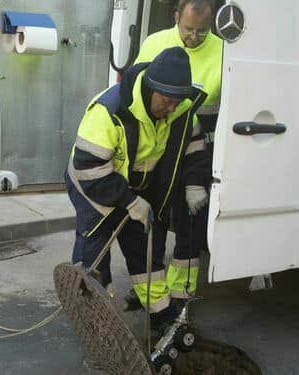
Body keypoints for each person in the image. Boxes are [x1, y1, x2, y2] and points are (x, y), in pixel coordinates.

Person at [65, 46, 207, 331]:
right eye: (166, 102)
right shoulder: (109, 110)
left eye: (176, 103)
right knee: (95, 255)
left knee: (146, 251)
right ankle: (96, 321)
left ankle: (161, 315)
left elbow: (194, 149)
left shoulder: (179, 109)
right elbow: (89, 168)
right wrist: (129, 202)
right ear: (150, 88)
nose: (170, 110)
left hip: (138, 186)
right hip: (94, 186)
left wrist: (194, 184)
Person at [123, 0, 223, 311]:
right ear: (177, 17)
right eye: (188, 29)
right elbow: (134, 90)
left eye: (202, 32)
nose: (193, 37)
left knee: (189, 223)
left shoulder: (224, 52)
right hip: (160, 146)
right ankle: (152, 291)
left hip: (197, 147)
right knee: (155, 222)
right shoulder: (155, 43)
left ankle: (182, 294)